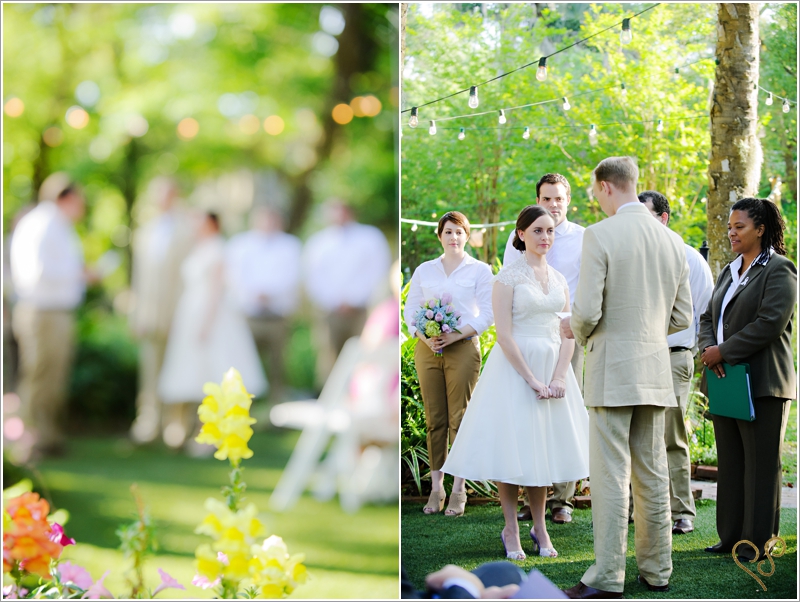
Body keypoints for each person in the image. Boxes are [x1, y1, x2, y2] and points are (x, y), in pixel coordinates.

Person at [561, 156, 692, 598]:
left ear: (605, 186)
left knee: (610, 474)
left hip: (610, 369)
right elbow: (682, 316)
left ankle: (607, 576)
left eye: (595, 191)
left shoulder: (599, 234)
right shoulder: (672, 241)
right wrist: (646, 333)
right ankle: (657, 571)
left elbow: (587, 312)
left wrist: (576, 329)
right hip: (655, 370)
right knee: (653, 474)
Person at [443, 205, 589, 559]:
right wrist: (532, 380)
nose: (545, 237)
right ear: (521, 234)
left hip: (553, 369)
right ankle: (510, 528)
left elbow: (567, 333)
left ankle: (539, 527)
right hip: (515, 372)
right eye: (538, 231)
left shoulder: (558, 280)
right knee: (512, 450)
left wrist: (557, 377)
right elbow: (504, 336)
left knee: (543, 451)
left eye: (550, 231)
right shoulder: (506, 278)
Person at [698, 197, 796, 562]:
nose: (732, 232)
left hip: (764, 382)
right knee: (733, 462)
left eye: (739, 226)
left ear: (760, 228)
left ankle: (757, 542)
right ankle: (731, 537)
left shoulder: (780, 269)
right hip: (726, 380)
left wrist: (723, 352)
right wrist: (709, 348)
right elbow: (707, 317)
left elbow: (770, 323)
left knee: (761, 464)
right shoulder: (729, 269)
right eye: (729, 226)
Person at [503, 173, 585, 525]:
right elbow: (510, 280)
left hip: (569, 336)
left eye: (559, 198)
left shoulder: (584, 237)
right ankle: (529, 495)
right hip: (525, 341)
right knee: (527, 424)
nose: (553, 204)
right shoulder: (516, 240)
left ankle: (562, 500)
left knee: (561, 420)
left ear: (568, 200)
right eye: (546, 198)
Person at [403, 211, 493, 517]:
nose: (454, 237)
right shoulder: (424, 271)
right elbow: (410, 309)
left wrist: (454, 337)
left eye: (459, 232)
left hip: (463, 349)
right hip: (427, 349)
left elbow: (487, 315)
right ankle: (436, 488)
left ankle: (458, 489)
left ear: (467, 236)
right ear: (439, 235)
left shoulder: (480, 271)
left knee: (459, 419)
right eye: (449, 231)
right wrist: (424, 336)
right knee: (434, 420)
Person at [158, 212, 267, 451]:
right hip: (190, 315)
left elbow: (217, 291)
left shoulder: (218, 249)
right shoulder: (198, 248)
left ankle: (209, 434)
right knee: (193, 378)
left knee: (211, 378)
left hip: (212, 319)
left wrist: (206, 325)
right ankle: (188, 431)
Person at [638, 190, 713, 535]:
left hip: (673, 358)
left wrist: (696, 352)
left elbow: (704, 312)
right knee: (636, 434)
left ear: (663, 218)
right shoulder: (632, 258)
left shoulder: (688, 258)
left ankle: (682, 510)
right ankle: (640, 508)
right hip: (637, 358)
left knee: (672, 434)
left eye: (646, 215)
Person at [9, 180, 90, 458]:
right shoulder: (41, 224)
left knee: (54, 376)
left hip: (55, 312)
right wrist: (79, 274)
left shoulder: (58, 226)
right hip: (42, 311)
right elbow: (38, 272)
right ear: (65, 197)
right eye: (79, 200)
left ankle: (49, 436)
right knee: (40, 374)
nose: (82, 207)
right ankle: (30, 440)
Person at [128, 177, 195, 444]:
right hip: (149, 316)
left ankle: (176, 426)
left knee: (178, 371)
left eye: (167, 194)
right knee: (150, 372)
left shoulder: (187, 230)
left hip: (178, 314)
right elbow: (138, 278)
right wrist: (135, 313)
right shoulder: (145, 231)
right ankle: (148, 423)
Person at [302, 199, 391, 388]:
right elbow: (313, 276)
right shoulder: (318, 242)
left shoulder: (370, 238)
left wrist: (355, 299)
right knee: (329, 356)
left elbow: (377, 271)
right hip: (330, 309)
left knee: (364, 355)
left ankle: (360, 397)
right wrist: (334, 301)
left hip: (363, 309)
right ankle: (329, 395)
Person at [226, 205, 302, 402]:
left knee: (279, 365)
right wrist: (254, 294)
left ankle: (277, 405)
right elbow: (234, 276)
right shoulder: (240, 244)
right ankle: (243, 406)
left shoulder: (290, 245)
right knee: (244, 364)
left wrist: (271, 294)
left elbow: (293, 276)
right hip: (248, 314)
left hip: (278, 313)